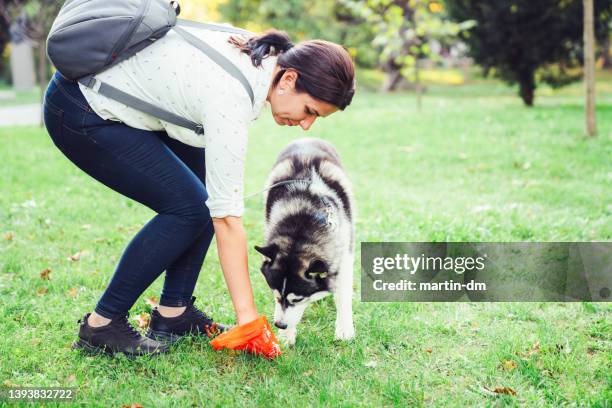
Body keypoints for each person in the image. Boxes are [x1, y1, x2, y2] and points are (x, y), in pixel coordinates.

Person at [43, 23, 355, 358]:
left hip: (120, 100)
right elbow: (227, 220)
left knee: (203, 195)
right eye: (309, 110)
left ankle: (172, 314)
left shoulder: (263, 56)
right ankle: (101, 325)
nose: (306, 125)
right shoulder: (232, 98)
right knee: (189, 209)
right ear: (289, 79)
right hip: (80, 108)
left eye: (316, 119)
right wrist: (247, 318)